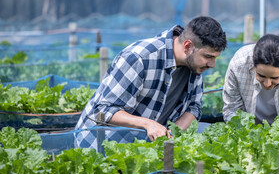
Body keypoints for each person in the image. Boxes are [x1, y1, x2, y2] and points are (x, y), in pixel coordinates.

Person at [75, 16, 227, 148]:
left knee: (209, 135)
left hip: (149, 144)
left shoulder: (194, 64)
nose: (212, 64)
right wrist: (148, 124)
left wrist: (173, 133)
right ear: (188, 46)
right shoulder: (139, 58)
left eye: (214, 57)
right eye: (208, 57)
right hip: (104, 144)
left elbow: (194, 107)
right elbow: (103, 110)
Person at [222, 34, 279, 125]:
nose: (267, 84)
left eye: (275, 78)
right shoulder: (239, 65)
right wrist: (243, 130)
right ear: (253, 63)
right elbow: (232, 108)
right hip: (248, 126)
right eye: (261, 76)